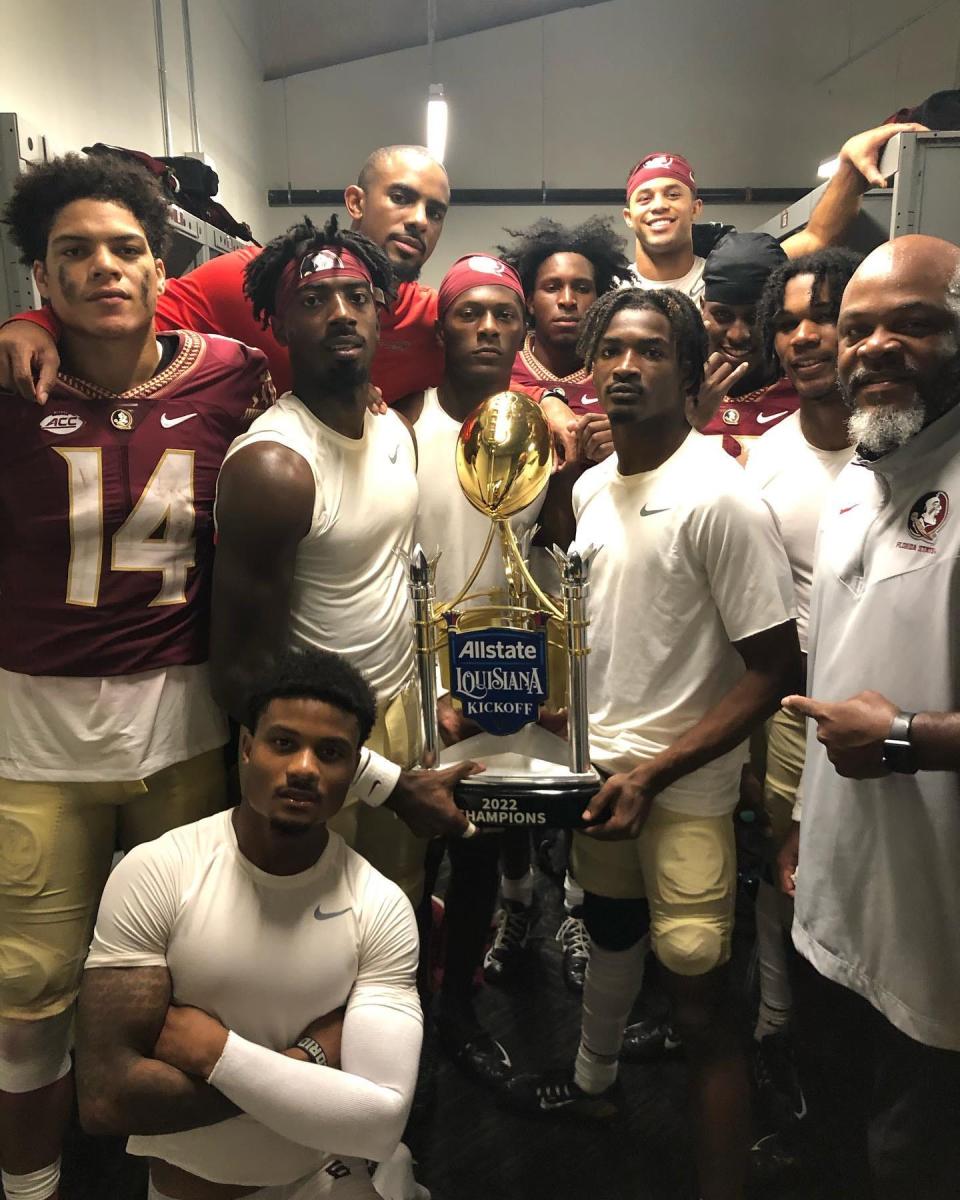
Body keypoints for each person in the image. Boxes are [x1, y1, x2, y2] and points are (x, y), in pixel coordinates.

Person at [0, 154, 274, 1200]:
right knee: (27, 996)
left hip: (182, 737)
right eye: (74, 251)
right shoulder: (9, 387)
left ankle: (179, 1181)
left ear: (162, 269)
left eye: (124, 249)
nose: (101, 268)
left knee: (182, 984)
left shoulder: (231, 375)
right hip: (34, 742)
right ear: (41, 276)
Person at [503, 287, 800, 1200]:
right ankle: (594, 1085)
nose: (627, 368)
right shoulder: (593, 487)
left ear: (687, 370)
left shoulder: (721, 497)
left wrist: (659, 771)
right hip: (601, 777)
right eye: (611, 353)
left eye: (652, 353)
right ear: (590, 371)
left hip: (685, 791)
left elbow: (773, 669)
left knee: (700, 997)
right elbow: (616, 630)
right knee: (610, 931)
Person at [76, 647, 424, 1200]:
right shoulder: (159, 872)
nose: (305, 768)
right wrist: (308, 1061)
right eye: (283, 743)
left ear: (354, 769)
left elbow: (378, 1124)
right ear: (246, 748)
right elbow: (106, 1098)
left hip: (323, 1182)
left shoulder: (379, 905)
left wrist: (216, 1054)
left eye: (331, 753)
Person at [211, 215, 478, 907]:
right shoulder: (276, 467)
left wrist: (433, 695)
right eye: (314, 299)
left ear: (381, 313)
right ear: (279, 324)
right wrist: (372, 778)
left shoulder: (392, 427)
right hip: (307, 738)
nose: (341, 313)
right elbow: (241, 676)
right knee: (308, 916)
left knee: (399, 903)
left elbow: (399, 576)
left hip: (398, 712)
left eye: (357, 296)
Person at [772, 235, 960, 1199]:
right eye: (859, 329)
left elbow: (881, 721)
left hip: (938, 918)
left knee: (911, 1158)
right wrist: (805, 817)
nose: (877, 347)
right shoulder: (856, 482)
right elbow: (833, 675)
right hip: (839, 896)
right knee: (835, 1125)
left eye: (914, 324)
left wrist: (904, 740)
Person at [396, 253, 549, 1086]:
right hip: (407, 681)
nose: (488, 329)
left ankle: (458, 1013)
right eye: (469, 315)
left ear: (523, 332)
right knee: (406, 860)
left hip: (497, 679)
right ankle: (397, 1008)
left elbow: (546, 562)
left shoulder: (537, 431)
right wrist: (431, 693)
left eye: (504, 317)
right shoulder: (398, 426)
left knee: (482, 848)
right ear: (443, 326)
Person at [744, 247, 860, 1126]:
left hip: (903, 697)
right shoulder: (766, 460)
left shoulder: (915, 440)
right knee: (785, 872)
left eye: (825, 314)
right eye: (788, 321)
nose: (806, 335)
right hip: (796, 705)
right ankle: (783, 1033)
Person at [620, 122, 926, 300]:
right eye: (645, 198)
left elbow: (818, 238)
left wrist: (848, 164)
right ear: (628, 216)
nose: (660, 205)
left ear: (696, 208)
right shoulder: (609, 287)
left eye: (673, 194)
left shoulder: (732, 273)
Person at [498, 216, 629, 466]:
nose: (567, 300)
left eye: (581, 288)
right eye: (552, 287)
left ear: (600, 300)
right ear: (530, 302)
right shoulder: (500, 369)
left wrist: (628, 444)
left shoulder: (622, 375)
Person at [695, 231, 800, 457]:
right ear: (702, 308)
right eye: (722, 315)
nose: (738, 334)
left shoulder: (808, 399)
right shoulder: (670, 396)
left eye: (755, 318)